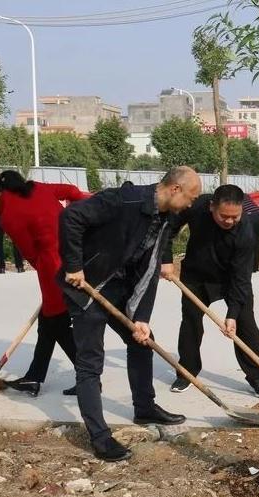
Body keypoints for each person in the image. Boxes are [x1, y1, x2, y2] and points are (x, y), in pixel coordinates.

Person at [59, 166, 202, 462]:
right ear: (174, 189)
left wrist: (142, 318)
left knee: (142, 340)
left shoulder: (166, 217)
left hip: (118, 288)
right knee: (90, 364)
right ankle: (100, 438)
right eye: (191, 196)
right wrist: (74, 265)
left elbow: (149, 270)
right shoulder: (122, 200)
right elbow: (70, 217)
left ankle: (144, 407)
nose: (191, 204)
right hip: (88, 286)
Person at [0, 170, 89, 397]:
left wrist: (47, 268)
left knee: (57, 323)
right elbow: (71, 191)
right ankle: (34, 377)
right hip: (77, 255)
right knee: (48, 322)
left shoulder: (9, 216)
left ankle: (89, 377)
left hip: (53, 267)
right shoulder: (35, 187)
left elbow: (30, 253)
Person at [163, 185, 259, 398]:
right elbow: (168, 226)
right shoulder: (197, 206)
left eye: (235, 217)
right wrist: (166, 259)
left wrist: (232, 314)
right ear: (212, 207)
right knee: (191, 322)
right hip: (196, 276)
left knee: (245, 322)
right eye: (224, 216)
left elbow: (242, 278)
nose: (229, 221)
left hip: (231, 279)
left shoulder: (247, 229)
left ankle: (258, 377)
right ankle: (187, 372)